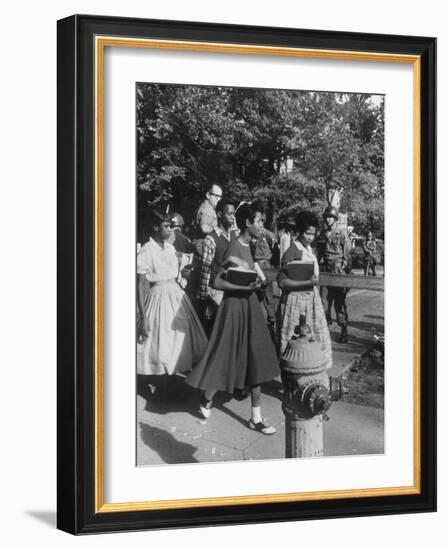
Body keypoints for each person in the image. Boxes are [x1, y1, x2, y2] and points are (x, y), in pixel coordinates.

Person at [186, 203, 280, 435]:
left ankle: (255, 417)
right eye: (259, 221)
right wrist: (241, 289)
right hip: (233, 308)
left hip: (250, 307)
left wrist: (254, 284)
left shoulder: (251, 247)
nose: (262, 225)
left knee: (256, 358)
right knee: (223, 355)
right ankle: (207, 395)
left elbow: (247, 278)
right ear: (248, 222)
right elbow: (216, 283)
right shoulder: (233, 247)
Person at [136, 210, 207, 391]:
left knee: (179, 338)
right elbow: (142, 284)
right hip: (158, 297)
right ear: (155, 227)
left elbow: (174, 270)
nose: (170, 231)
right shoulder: (147, 250)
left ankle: (172, 382)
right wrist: (143, 316)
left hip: (176, 295)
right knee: (161, 341)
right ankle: (159, 384)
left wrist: (184, 273)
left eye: (170, 226)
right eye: (166, 227)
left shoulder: (170, 248)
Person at [277, 211, 332, 369]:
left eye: (313, 234)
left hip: (311, 299)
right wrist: (305, 283)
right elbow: (282, 282)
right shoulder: (292, 251)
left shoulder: (310, 250)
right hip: (295, 301)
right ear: (299, 231)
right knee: (295, 342)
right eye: (307, 233)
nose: (310, 237)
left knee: (312, 338)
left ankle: (313, 372)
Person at [194, 199, 237, 334]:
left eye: (233, 214)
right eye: (229, 214)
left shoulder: (236, 236)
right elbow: (205, 271)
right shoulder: (210, 239)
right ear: (219, 214)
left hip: (235, 290)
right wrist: (205, 301)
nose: (232, 217)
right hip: (217, 294)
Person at [316, 205, 351, 343]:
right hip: (325, 270)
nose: (328, 219)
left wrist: (345, 265)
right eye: (327, 217)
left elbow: (347, 252)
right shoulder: (322, 234)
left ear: (335, 218)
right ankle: (325, 331)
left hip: (337, 271)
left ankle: (344, 330)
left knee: (340, 303)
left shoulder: (341, 233)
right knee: (324, 302)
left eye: (331, 217)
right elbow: (318, 251)